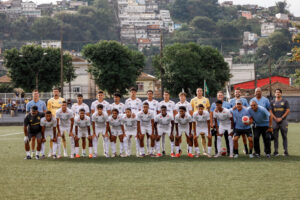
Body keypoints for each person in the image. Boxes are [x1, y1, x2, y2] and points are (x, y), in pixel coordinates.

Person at [210, 91, 231, 156]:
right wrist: (211, 123)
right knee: (217, 138)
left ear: (223, 96)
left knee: (227, 138)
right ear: (217, 96)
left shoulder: (227, 104)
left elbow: (230, 114)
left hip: (227, 124)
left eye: (221, 95)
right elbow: (211, 114)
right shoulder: (214, 104)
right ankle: (217, 152)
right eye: (219, 95)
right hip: (218, 124)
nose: (220, 96)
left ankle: (229, 152)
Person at [229, 88, 249, 155]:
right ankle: (234, 150)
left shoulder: (244, 100)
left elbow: (248, 108)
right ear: (234, 93)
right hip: (234, 121)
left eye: (238, 92)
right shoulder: (231, 100)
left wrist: (241, 106)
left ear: (240, 93)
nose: (237, 93)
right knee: (233, 136)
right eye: (236, 92)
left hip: (242, 121)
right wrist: (233, 107)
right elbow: (229, 110)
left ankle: (245, 148)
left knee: (243, 136)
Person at [270, 89, 290, 156]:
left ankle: (285, 151)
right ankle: (276, 152)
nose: (277, 93)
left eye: (279, 92)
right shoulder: (272, 102)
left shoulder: (285, 101)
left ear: (281, 93)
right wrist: (275, 118)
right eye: (276, 92)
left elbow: (287, 110)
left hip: (283, 121)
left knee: (284, 136)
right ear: (275, 94)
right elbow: (270, 111)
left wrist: (281, 118)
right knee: (275, 137)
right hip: (275, 121)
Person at [47, 88, 65, 157]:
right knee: (52, 136)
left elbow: (64, 109)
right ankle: (50, 151)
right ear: (53, 92)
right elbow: (48, 111)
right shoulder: (49, 101)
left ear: (59, 92)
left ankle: (65, 151)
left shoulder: (62, 100)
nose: (56, 93)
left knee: (62, 135)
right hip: (53, 120)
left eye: (57, 91)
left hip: (61, 120)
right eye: (54, 91)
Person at [125, 87, 143, 155]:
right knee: (128, 137)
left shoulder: (139, 101)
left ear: (136, 93)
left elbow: (141, 111)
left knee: (137, 137)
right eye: (132, 92)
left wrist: (136, 115)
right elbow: (126, 111)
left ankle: (138, 152)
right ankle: (128, 152)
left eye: (134, 92)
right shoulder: (127, 101)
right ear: (130, 92)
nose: (133, 93)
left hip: (136, 120)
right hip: (129, 120)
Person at [158, 91, 176, 155]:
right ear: (163, 96)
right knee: (162, 137)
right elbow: (158, 113)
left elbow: (174, 112)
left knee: (171, 136)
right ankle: (163, 150)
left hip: (170, 122)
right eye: (165, 95)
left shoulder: (172, 103)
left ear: (169, 95)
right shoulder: (160, 103)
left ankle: (172, 151)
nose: (166, 96)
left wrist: (174, 120)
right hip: (162, 122)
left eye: (167, 95)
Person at [143, 90, 159, 154]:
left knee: (154, 135)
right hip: (147, 121)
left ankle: (154, 148)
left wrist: (157, 120)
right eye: (148, 94)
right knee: (148, 136)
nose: (149, 95)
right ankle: (148, 149)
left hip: (154, 121)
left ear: (152, 95)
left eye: (151, 94)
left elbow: (158, 112)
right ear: (147, 95)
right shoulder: (144, 102)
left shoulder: (156, 102)